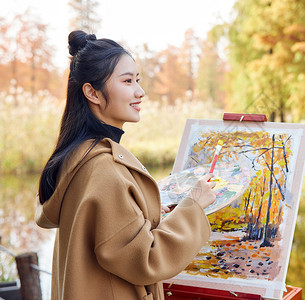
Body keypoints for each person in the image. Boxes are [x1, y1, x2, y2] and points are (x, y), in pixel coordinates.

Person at [35, 30, 216, 300]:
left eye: (138, 80)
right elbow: (145, 259)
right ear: (92, 93)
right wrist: (194, 206)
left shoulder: (75, 156)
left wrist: (145, 213)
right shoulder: (105, 168)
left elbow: (110, 237)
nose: (140, 92)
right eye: (127, 81)